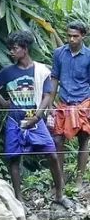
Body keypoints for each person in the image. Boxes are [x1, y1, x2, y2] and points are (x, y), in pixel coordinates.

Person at [0, 31, 67, 208]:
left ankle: (59, 194)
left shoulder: (41, 70)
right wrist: (3, 102)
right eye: (10, 48)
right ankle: (19, 199)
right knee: (14, 158)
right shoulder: (8, 72)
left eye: (15, 48)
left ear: (25, 49)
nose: (11, 51)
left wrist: (36, 116)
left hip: (34, 117)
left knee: (52, 154)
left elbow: (47, 95)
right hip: (14, 118)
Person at [39, 20, 90, 188]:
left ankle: (79, 181)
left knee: (84, 139)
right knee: (58, 140)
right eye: (69, 36)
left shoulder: (88, 56)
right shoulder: (59, 53)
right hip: (63, 101)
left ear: (83, 36)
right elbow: (54, 78)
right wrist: (50, 102)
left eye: (75, 36)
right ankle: (59, 181)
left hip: (83, 101)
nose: (71, 39)